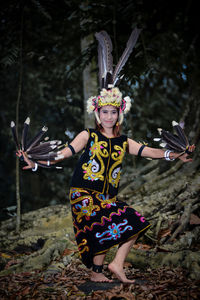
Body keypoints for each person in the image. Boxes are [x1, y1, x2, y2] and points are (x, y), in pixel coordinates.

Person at [16, 29, 195, 283]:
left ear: (119, 114)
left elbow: (151, 152)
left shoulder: (124, 141)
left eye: (113, 112)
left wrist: (175, 154)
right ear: (97, 114)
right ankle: (100, 271)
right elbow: (63, 153)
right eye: (105, 112)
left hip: (106, 196)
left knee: (133, 223)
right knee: (103, 226)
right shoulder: (88, 136)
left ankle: (111, 268)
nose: (109, 116)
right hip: (83, 193)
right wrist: (37, 162)